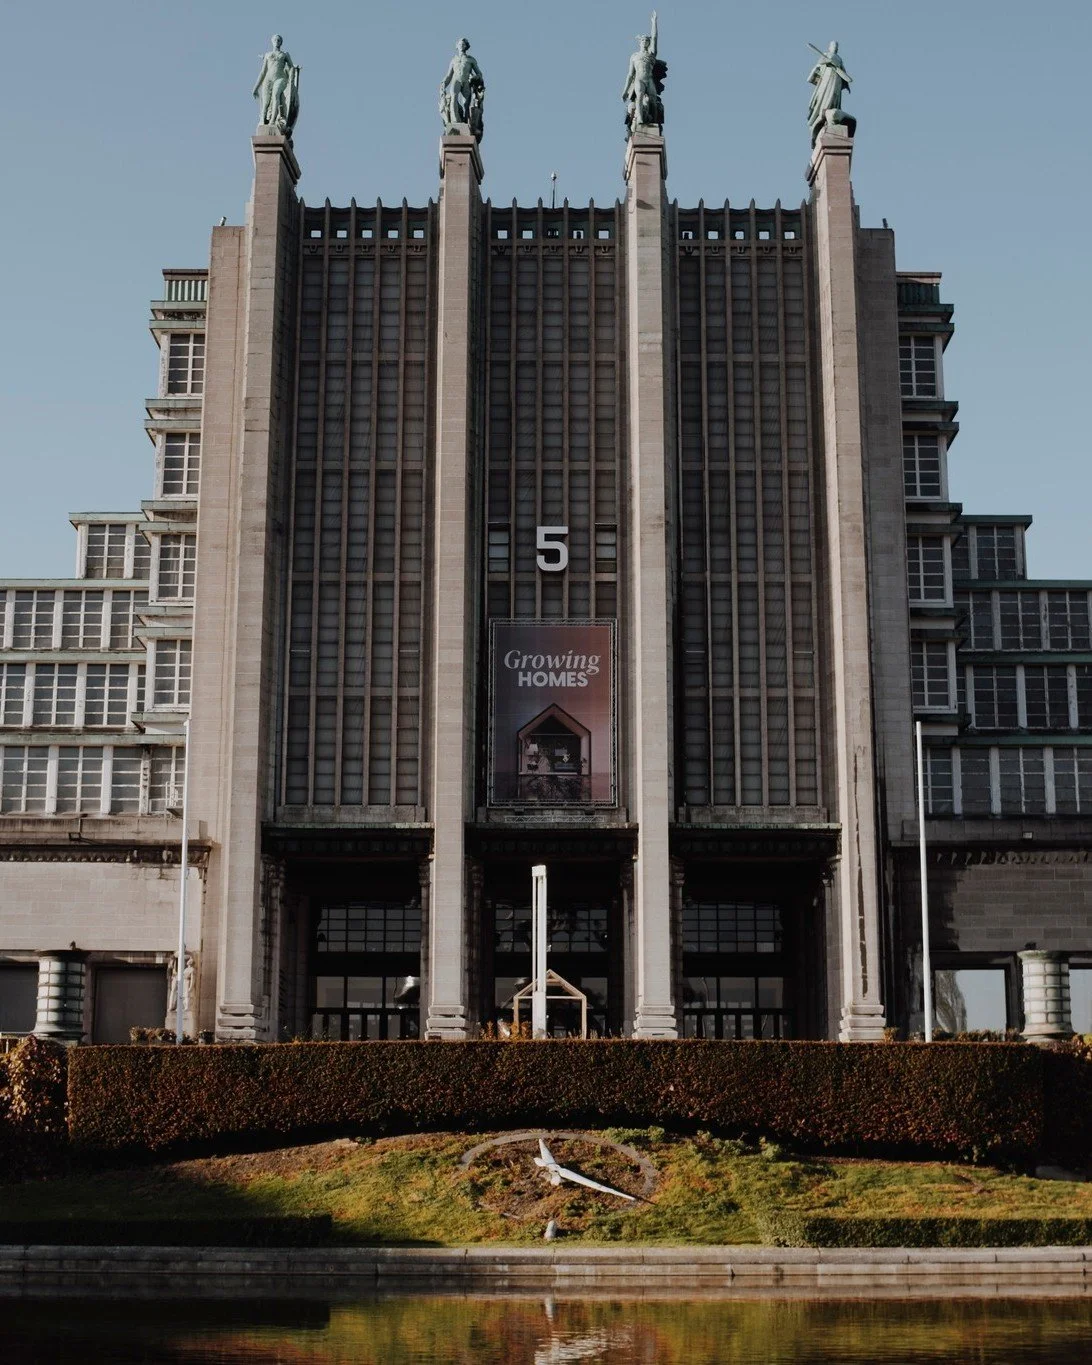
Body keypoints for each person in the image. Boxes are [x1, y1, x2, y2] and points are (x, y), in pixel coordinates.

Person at [622, 12, 667, 135]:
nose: (644, 42)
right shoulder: (634, 56)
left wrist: (654, 23)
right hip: (639, 80)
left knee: (652, 100)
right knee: (640, 97)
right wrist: (625, 91)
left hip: (649, 79)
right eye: (642, 40)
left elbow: (655, 37)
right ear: (639, 42)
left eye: (646, 40)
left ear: (648, 43)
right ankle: (641, 119)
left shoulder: (651, 54)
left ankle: (654, 122)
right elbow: (630, 74)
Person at [807, 40, 852, 145]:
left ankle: (831, 112)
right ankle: (822, 113)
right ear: (829, 47)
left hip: (836, 79)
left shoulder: (839, 59)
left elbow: (843, 72)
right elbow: (820, 63)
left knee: (834, 96)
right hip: (827, 79)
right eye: (834, 46)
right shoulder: (826, 55)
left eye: (837, 46)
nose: (836, 47)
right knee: (825, 96)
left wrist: (846, 84)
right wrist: (826, 61)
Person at [253, 34, 300, 136]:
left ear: (281, 42)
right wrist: (255, 88)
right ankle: (263, 120)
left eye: (279, 40)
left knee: (275, 96)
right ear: (272, 41)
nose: (277, 41)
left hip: (280, 78)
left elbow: (291, 67)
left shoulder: (285, 54)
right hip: (268, 79)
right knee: (265, 102)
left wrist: (293, 73)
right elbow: (263, 72)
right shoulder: (267, 54)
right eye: (275, 39)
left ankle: (272, 121)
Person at [440, 38, 486, 140]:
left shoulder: (470, 60)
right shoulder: (453, 60)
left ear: (466, 46)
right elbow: (449, 76)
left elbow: (479, 73)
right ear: (457, 46)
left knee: (466, 104)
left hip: (466, 82)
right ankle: (455, 121)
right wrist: (444, 83)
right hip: (456, 80)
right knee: (453, 98)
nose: (461, 46)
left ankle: (466, 122)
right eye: (460, 44)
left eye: (463, 44)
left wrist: (474, 77)